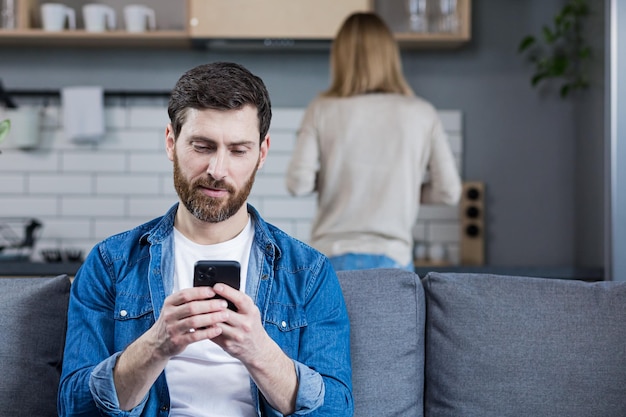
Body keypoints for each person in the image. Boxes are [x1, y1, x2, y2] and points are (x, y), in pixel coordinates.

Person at [58, 62, 353, 417]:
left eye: (239, 150)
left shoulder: (308, 273)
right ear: (171, 142)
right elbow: (72, 407)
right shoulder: (111, 263)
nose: (217, 169)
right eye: (203, 146)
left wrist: (258, 350)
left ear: (262, 153)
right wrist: (156, 345)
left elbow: (336, 410)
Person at [286, 12, 462, 272]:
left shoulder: (321, 109)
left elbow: (298, 184)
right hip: (394, 261)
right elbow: (449, 191)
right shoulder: (422, 113)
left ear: (340, 57)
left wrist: (335, 179)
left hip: (331, 260)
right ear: (390, 56)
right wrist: (406, 187)